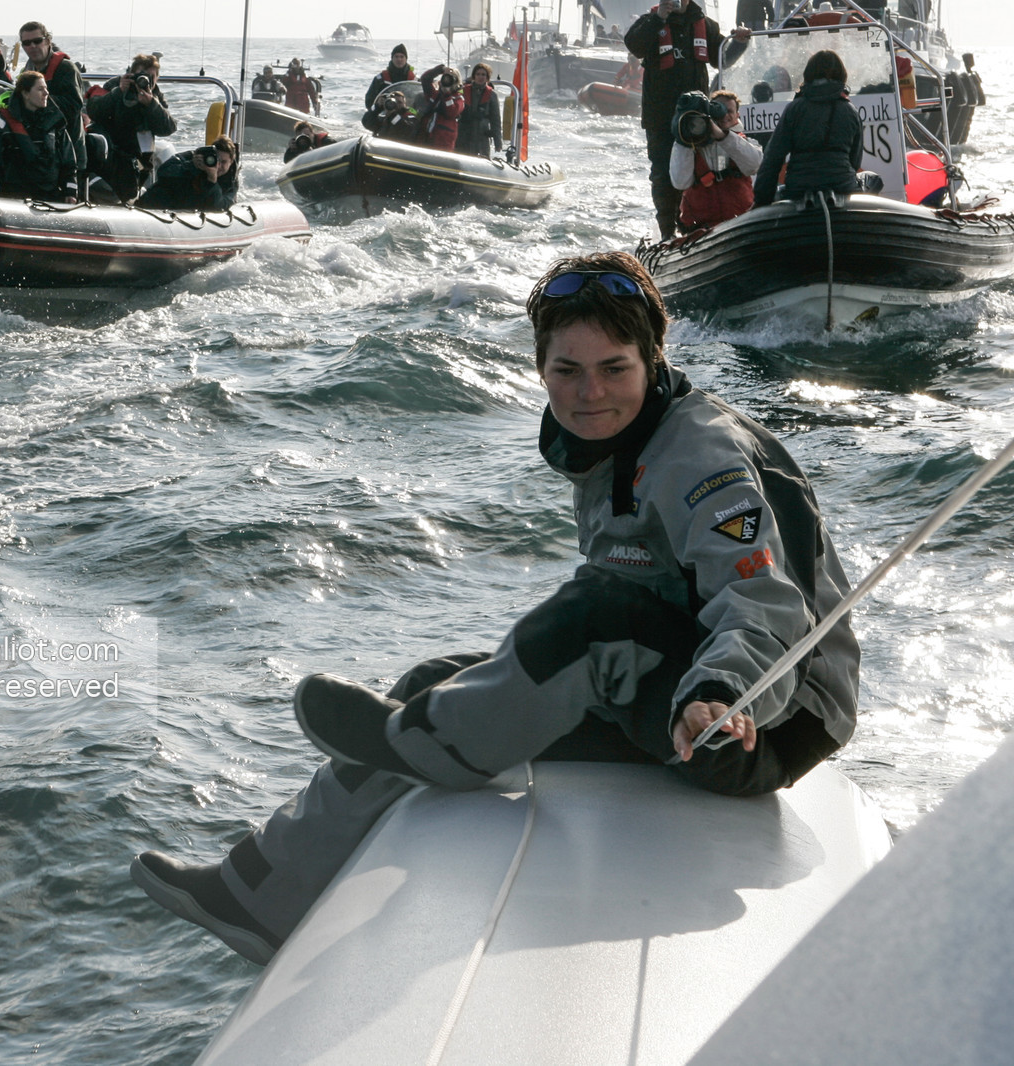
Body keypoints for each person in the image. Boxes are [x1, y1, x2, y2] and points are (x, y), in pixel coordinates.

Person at [130, 250, 860, 965]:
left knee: (586, 619)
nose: (589, 393)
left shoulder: (700, 454)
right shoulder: (614, 445)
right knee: (432, 686)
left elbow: (762, 601)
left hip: (757, 722)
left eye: (614, 370)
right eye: (565, 371)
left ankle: (440, 748)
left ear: (655, 359)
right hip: (683, 700)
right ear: (539, 368)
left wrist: (721, 694)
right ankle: (258, 894)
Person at [626, 1, 750, 238]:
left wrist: (740, 43)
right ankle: (666, 232)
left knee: (699, 169)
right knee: (663, 173)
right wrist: (659, 18)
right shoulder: (650, 21)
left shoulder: (705, 25)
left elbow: (721, 59)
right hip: (660, 118)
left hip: (697, 117)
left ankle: (693, 225)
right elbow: (635, 45)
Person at [753, 50, 869, 207]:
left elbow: (772, 158)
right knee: (871, 179)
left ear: (808, 75)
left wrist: (761, 201)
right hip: (843, 186)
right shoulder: (850, 110)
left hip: (799, 189)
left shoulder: (794, 109)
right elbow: (855, 161)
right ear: (842, 76)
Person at [85, 53, 177, 203]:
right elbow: (94, 111)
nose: (145, 80)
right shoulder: (115, 86)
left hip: (139, 160)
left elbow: (169, 128)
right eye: (141, 75)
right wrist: (119, 92)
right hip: (113, 158)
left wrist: (151, 105)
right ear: (131, 74)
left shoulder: (155, 96)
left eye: (151, 77)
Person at [669, 89, 760, 232]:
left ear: (737, 116)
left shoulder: (747, 143)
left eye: (729, 111)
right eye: (718, 110)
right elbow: (680, 182)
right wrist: (685, 139)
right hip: (700, 229)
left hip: (739, 223)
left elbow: (754, 165)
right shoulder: (689, 145)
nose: (724, 115)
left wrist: (723, 137)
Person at [0, 71, 79, 203]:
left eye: (46, 89)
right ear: (25, 93)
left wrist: (70, 191)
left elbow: (69, 162)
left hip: (50, 197)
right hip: (15, 197)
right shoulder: (3, 125)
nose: (46, 93)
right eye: (40, 89)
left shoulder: (55, 123)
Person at [18, 22, 91, 178]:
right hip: (39, 153)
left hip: (68, 154)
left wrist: (36, 99)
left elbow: (73, 105)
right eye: (26, 43)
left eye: (37, 41)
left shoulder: (66, 69)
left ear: (48, 41)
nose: (32, 46)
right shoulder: (26, 72)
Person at [138, 136, 239, 212]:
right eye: (215, 159)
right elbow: (163, 172)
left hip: (188, 214)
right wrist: (192, 166)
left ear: (231, 162)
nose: (218, 165)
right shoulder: (194, 158)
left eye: (224, 162)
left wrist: (212, 180)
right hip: (157, 206)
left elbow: (218, 207)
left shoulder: (230, 182)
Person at [456, 62, 503, 157]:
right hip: (463, 135)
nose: (480, 77)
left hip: (481, 138)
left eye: (483, 75)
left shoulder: (492, 95)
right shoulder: (463, 91)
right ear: (474, 76)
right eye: (478, 74)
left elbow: (495, 120)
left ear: (487, 77)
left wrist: (498, 142)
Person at [417, 64, 465, 151]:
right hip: (426, 138)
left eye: (451, 78)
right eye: (445, 78)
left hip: (442, 143)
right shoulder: (434, 94)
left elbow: (451, 112)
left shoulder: (459, 99)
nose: (447, 80)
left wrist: (447, 95)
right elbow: (425, 79)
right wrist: (440, 69)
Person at [364, 43, 414, 110]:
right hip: (385, 114)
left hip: (406, 114)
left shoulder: (413, 80)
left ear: (406, 59)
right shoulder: (380, 79)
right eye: (396, 56)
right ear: (392, 58)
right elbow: (368, 101)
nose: (399, 59)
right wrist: (378, 103)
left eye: (402, 57)